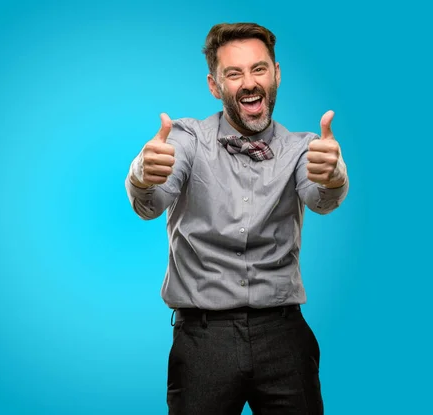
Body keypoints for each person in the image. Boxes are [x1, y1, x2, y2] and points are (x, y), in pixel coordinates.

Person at [124, 22, 349, 414]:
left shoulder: (303, 149)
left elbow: (321, 199)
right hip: (203, 341)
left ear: (276, 74)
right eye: (234, 73)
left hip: (283, 335)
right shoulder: (186, 139)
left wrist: (334, 176)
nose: (249, 83)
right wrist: (142, 175)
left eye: (259, 69)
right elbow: (150, 204)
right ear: (214, 85)